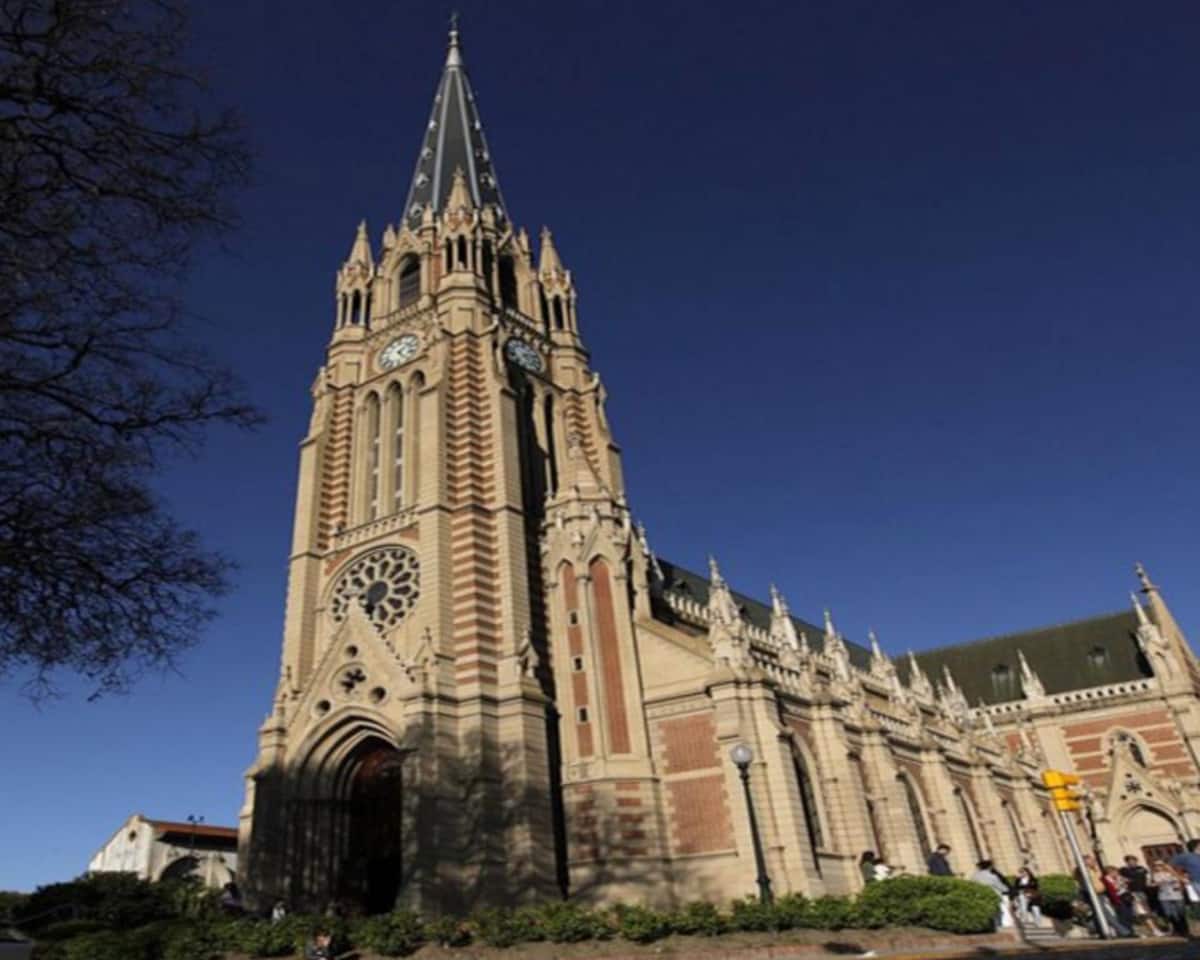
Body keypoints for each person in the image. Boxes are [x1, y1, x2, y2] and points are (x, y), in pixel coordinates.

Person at [971, 859, 1013, 928]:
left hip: (980, 897)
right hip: (994, 897)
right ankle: (1000, 926)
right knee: (998, 913)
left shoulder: (974, 877)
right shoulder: (992, 876)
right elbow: (1002, 887)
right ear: (989, 867)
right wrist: (1008, 889)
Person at [1151, 859, 1186, 936]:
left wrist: (1171, 871)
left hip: (1177, 895)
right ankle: (1176, 930)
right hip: (1164, 897)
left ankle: (1184, 930)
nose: (1158, 867)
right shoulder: (1156, 875)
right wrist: (1159, 882)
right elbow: (1158, 883)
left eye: (1160, 865)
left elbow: (1182, 880)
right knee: (1169, 914)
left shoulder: (1174, 873)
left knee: (1180, 913)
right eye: (1156, 865)